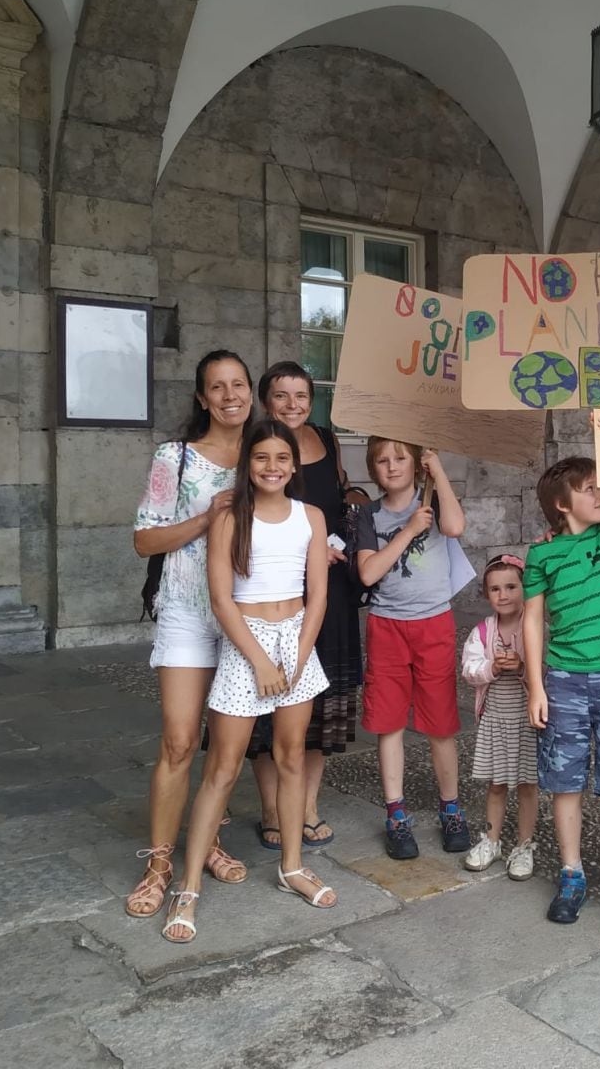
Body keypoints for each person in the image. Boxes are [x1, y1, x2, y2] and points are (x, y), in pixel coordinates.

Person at [161, 420, 334, 943]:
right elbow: (221, 599)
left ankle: (291, 866)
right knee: (223, 766)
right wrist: (259, 660)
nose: (273, 467)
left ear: (294, 465)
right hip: (247, 642)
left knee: (290, 757)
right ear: (247, 464)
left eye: (282, 458)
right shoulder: (231, 517)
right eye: (262, 458)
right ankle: (188, 886)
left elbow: (318, 594)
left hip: (296, 639)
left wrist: (300, 655)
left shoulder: (312, 516)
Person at [127, 350, 252, 920]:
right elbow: (144, 540)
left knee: (226, 750)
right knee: (179, 741)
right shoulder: (174, 458)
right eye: (217, 387)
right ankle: (159, 863)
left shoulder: (264, 456)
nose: (230, 396)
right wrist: (207, 516)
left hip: (245, 616)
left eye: (239, 385)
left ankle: (206, 845)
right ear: (202, 398)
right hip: (185, 610)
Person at [523, 409, 600, 938]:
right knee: (564, 781)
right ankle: (571, 873)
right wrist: (536, 684)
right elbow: (531, 620)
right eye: (588, 490)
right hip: (565, 681)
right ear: (560, 504)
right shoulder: (541, 556)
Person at [246, 362, 363, 850]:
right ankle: (273, 809)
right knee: (266, 699)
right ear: (265, 401)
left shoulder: (326, 440)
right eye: (281, 396)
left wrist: (352, 510)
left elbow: (339, 496)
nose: (293, 405)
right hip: (270, 590)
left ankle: (308, 805)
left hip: (328, 590)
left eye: (301, 395)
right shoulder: (255, 447)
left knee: (321, 699)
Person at [355, 438, 470, 860]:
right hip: (387, 625)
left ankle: (451, 808)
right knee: (389, 722)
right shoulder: (368, 514)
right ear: (373, 468)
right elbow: (368, 572)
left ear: (415, 464)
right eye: (382, 460)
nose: (391, 466)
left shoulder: (433, 502)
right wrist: (407, 531)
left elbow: (455, 528)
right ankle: (396, 813)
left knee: (440, 722)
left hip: (433, 623)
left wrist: (437, 472)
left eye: (400, 457)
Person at [460, 554, 538, 880]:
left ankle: (524, 845)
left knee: (527, 784)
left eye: (510, 587)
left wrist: (523, 667)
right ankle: (491, 840)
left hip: (526, 720)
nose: (503, 595)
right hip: (494, 719)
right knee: (496, 784)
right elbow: (468, 669)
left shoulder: (533, 628)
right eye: (495, 589)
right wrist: (491, 667)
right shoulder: (481, 632)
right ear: (486, 594)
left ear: (525, 588)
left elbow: (544, 670)